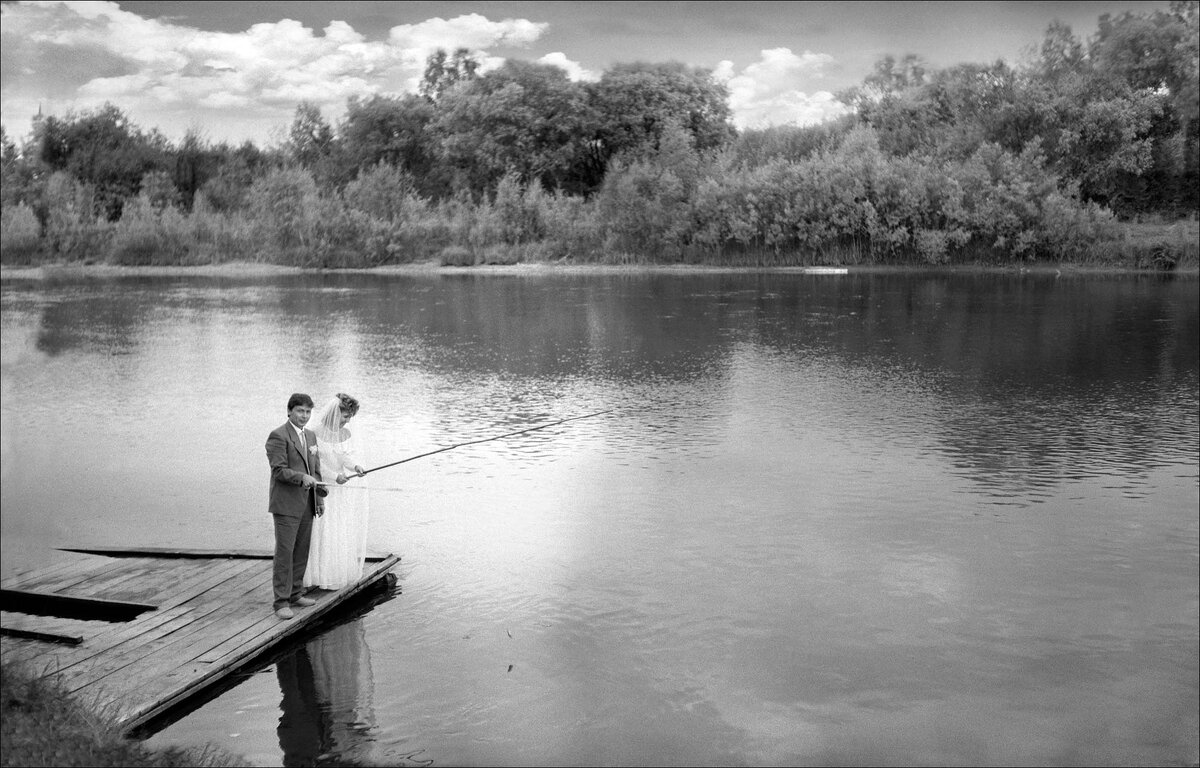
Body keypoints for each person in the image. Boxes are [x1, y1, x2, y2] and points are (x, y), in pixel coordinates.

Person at [266, 393, 327, 620]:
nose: (304, 416)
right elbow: (279, 470)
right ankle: (280, 602)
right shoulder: (278, 436)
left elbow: (316, 470)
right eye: (300, 411)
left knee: (302, 550)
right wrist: (301, 478)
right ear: (290, 411)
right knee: (285, 553)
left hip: (306, 504)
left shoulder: (310, 436)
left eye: (308, 412)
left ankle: (295, 593)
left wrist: (318, 498)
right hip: (286, 505)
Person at [303, 393, 369, 590]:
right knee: (322, 529)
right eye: (345, 416)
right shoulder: (314, 432)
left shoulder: (345, 434)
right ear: (334, 412)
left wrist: (355, 466)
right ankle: (317, 575)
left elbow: (346, 456)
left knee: (338, 528)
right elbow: (315, 464)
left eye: (349, 418)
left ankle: (333, 573)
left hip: (341, 491)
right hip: (322, 488)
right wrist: (333, 476)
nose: (347, 421)